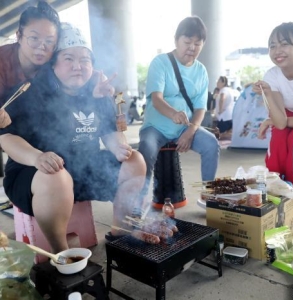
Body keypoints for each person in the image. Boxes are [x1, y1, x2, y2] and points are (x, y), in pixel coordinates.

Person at [0, 23, 146, 253]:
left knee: (135, 160)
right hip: (35, 176)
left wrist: (118, 147)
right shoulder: (30, 91)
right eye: (69, 58)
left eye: (85, 60)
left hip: (84, 169)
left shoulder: (97, 91)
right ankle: (62, 254)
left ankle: (120, 232)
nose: (78, 66)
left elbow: (109, 130)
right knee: (55, 176)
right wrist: (38, 157)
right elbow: (6, 137)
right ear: (54, 63)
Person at [138, 16, 220, 201]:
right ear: (176, 40)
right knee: (146, 148)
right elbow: (156, 99)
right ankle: (138, 202)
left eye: (197, 43)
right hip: (155, 127)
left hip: (184, 128)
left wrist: (190, 132)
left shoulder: (201, 71)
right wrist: (173, 113)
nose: (192, 47)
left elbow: (200, 109)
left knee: (211, 144)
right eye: (187, 41)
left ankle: (208, 195)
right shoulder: (160, 62)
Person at [253, 22, 293, 220]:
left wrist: (273, 120)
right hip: (289, 114)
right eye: (272, 46)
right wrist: (268, 94)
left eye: (284, 44)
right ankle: (278, 192)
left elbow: (282, 121)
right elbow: (280, 123)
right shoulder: (272, 75)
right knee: (279, 137)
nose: (277, 51)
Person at [0, 1, 61, 128]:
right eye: (34, 38)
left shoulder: (55, 60)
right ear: (19, 36)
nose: (42, 47)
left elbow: (77, 70)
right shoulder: (2, 61)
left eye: (49, 41)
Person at [215, 76, 235, 140]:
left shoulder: (223, 90)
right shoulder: (230, 90)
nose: (217, 83)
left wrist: (220, 110)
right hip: (230, 116)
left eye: (218, 81)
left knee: (217, 135)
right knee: (226, 136)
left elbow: (222, 98)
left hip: (223, 117)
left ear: (223, 83)